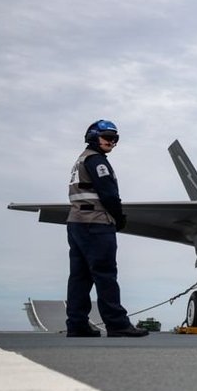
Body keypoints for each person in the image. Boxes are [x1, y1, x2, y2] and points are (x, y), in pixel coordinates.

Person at [65, 120, 147, 338]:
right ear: (93, 136)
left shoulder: (81, 160)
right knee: (105, 274)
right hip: (96, 222)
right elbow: (109, 194)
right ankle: (117, 323)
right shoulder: (97, 161)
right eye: (108, 137)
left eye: (115, 139)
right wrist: (119, 218)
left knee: (80, 277)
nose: (112, 142)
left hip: (76, 222)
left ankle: (77, 324)